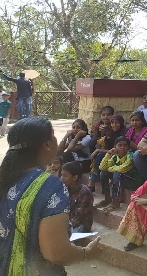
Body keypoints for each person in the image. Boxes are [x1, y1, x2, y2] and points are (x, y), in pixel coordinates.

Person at [0, 117, 101, 274]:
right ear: (47, 145)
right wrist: (86, 253)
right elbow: (56, 252)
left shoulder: (5, 177)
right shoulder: (50, 186)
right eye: (53, 135)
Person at [97, 136, 144, 211]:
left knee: (117, 174)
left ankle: (116, 202)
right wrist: (108, 153)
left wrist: (109, 169)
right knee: (103, 173)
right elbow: (102, 167)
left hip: (134, 181)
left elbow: (122, 169)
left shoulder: (130, 156)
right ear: (115, 147)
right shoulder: (115, 157)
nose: (122, 147)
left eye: (125, 145)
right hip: (123, 179)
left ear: (128, 147)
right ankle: (107, 198)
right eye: (120, 145)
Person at [60, 161, 94, 233]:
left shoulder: (84, 192)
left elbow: (79, 218)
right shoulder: (64, 188)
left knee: (68, 236)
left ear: (75, 177)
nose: (62, 178)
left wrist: (63, 228)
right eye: (61, 175)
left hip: (81, 224)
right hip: (67, 222)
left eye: (65, 176)